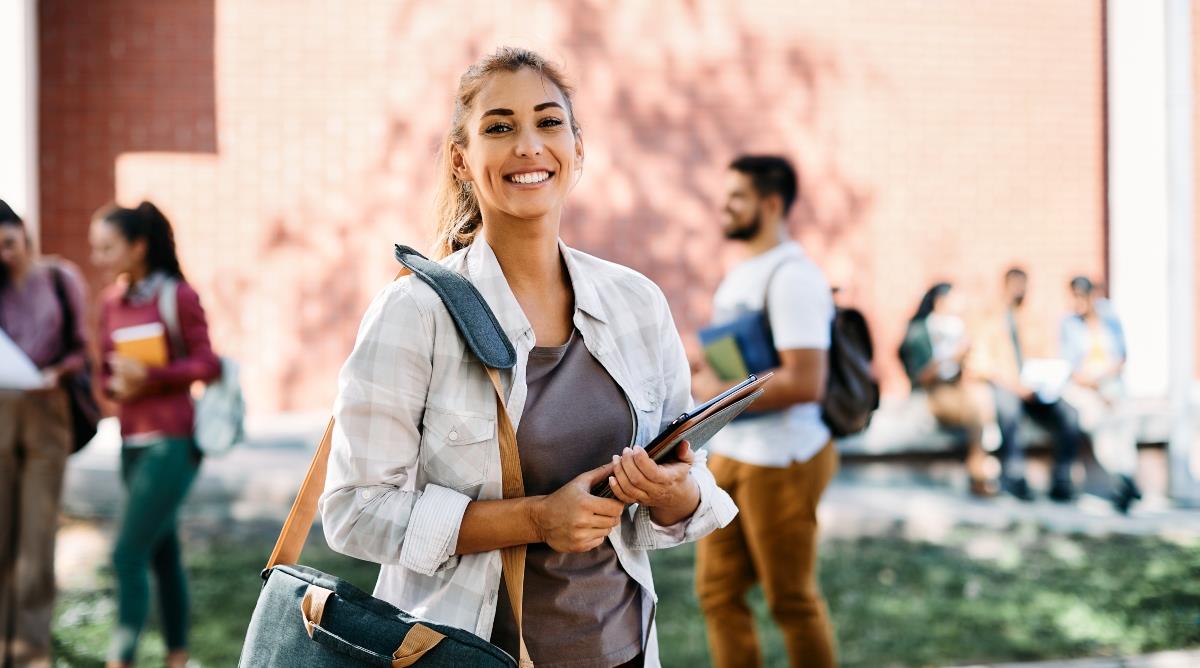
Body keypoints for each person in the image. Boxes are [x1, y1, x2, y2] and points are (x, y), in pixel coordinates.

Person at [318, 47, 736, 668]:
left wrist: (673, 493)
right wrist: (538, 519)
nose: (528, 146)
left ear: (578, 148)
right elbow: (354, 513)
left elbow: (680, 477)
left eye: (548, 122)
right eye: (499, 127)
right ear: (462, 160)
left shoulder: (637, 304)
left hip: (622, 650)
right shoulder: (415, 314)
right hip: (468, 653)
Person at [690, 155, 838, 667]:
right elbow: (733, 362)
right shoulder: (741, 276)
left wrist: (720, 390)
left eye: (737, 197)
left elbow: (805, 380)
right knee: (718, 595)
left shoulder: (794, 276)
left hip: (783, 461)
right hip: (731, 454)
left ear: (771, 204)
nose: (724, 206)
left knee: (791, 601)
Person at [89, 201, 221, 668]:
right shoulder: (110, 302)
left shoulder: (177, 296)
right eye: (95, 248)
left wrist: (153, 375)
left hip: (174, 442)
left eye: (107, 247)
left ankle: (119, 660)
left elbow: (209, 363)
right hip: (131, 442)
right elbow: (103, 375)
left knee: (126, 554)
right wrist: (114, 384)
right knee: (161, 554)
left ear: (138, 246)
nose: (98, 257)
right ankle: (177, 658)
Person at [0, 200, 89, 668]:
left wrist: (57, 371)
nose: (4, 255)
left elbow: (82, 349)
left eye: (8, 243)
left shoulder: (59, 277)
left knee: (35, 540)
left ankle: (30, 654)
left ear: (24, 232)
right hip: (0, 410)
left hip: (46, 408)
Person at [969, 267, 1081, 502]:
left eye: (1024, 285)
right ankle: (1015, 475)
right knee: (1009, 411)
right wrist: (1014, 385)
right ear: (1006, 286)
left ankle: (1061, 477)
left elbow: (1047, 354)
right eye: (1015, 285)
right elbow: (981, 363)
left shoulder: (1032, 318)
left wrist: (1044, 378)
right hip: (1005, 386)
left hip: (1035, 387)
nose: (1020, 291)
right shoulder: (990, 319)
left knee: (1069, 415)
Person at [899, 282, 999, 496]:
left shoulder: (958, 327)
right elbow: (920, 376)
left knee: (982, 397)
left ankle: (981, 467)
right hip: (933, 392)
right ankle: (979, 471)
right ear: (940, 300)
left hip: (958, 388)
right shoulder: (920, 330)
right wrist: (952, 357)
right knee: (977, 411)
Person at [1059, 276, 1141, 513]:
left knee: (1124, 421)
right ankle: (1119, 480)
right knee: (1099, 424)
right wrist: (1097, 388)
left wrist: (1106, 386)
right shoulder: (1068, 323)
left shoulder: (1109, 317)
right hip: (1086, 387)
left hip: (1111, 384)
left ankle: (1127, 476)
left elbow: (1121, 356)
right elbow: (1072, 369)